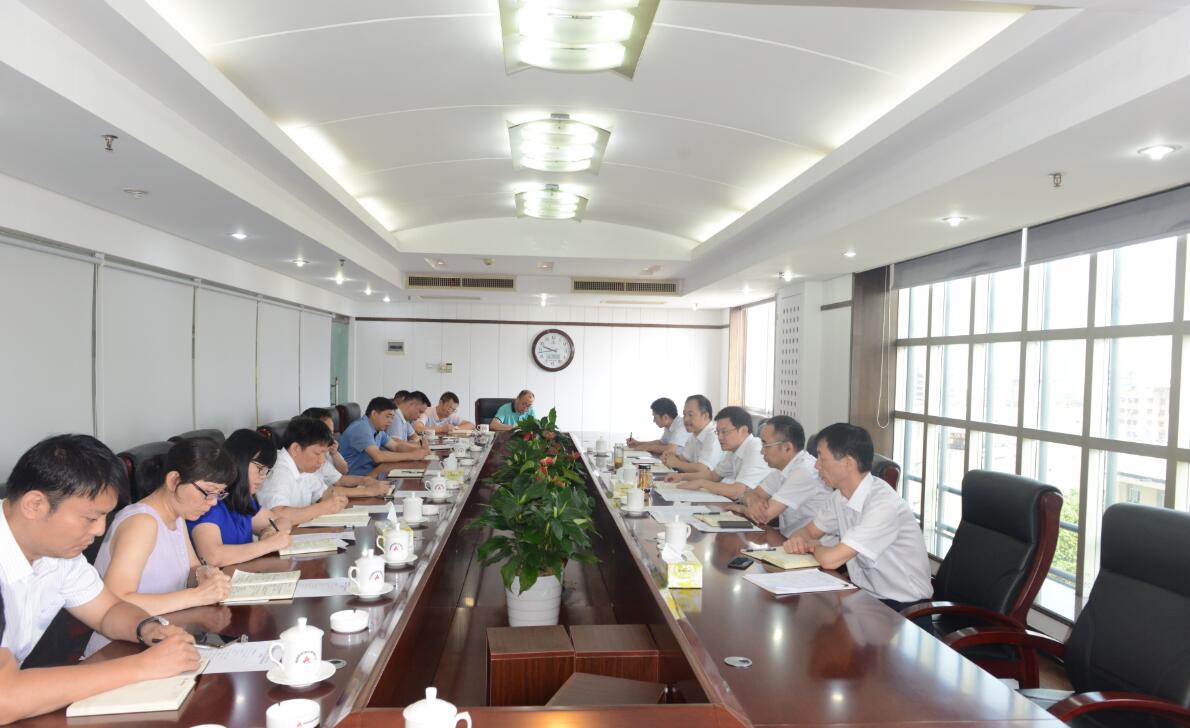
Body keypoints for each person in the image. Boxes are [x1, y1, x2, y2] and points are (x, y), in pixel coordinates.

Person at [0, 435, 199, 723]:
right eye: (91, 518)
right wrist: (143, 667)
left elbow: (107, 610)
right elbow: (4, 697)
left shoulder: (59, 553)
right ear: (34, 505)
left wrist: (147, 627)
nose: (100, 530)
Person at [84, 438, 235, 655]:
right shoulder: (141, 522)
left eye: (219, 494)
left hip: (163, 636)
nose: (213, 502)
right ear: (174, 480)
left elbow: (192, 570)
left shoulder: (178, 516)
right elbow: (116, 601)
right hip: (120, 648)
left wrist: (204, 574)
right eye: (207, 492)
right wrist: (197, 596)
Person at [783, 423, 932, 610]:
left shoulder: (883, 505)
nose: (816, 465)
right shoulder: (840, 496)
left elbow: (830, 560)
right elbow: (808, 531)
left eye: (822, 458)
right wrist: (799, 540)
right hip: (865, 598)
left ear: (848, 463)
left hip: (903, 609)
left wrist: (814, 546)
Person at [187, 430, 292, 567]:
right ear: (240, 461)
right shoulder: (210, 501)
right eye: (260, 468)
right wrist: (268, 544)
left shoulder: (241, 499)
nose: (263, 476)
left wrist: (269, 531)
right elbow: (212, 556)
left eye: (267, 470)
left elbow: (282, 521)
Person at [735, 416, 831, 536]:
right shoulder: (782, 469)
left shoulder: (804, 472)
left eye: (765, 445)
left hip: (811, 544)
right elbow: (752, 493)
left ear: (787, 447)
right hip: (789, 539)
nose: (762, 451)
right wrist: (750, 499)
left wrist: (740, 508)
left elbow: (763, 516)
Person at [255, 417, 351, 523]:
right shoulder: (278, 471)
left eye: (324, 453)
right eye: (317, 453)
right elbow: (276, 515)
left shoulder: (303, 466)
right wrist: (323, 508)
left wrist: (337, 500)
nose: (322, 461)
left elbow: (325, 493)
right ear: (296, 449)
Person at [669, 406, 773, 499]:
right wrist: (682, 477)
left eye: (724, 432)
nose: (720, 437)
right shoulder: (733, 450)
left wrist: (701, 483)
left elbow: (737, 491)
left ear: (743, 430)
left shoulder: (756, 449)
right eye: (718, 432)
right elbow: (713, 476)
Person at [300, 409, 391, 497]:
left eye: (331, 433)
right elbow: (325, 492)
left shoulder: (323, 452)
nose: (331, 438)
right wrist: (367, 491)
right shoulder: (305, 459)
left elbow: (339, 479)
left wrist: (365, 480)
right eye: (327, 433)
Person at [340, 396, 430, 476]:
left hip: (372, 473)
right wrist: (413, 455)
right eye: (387, 416)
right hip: (355, 479)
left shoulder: (378, 430)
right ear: (374, 414)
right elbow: (378, 456)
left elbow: (396, 446)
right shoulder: (361, 428)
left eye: (392, 417)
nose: (390, 421)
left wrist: (419, 449)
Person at [659, 395, 722, 475]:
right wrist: (669, 457)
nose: (685, 419)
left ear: (705, 416)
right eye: (684, 415)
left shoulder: (714, 436)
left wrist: (676, 463)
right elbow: (684, 459)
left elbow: (703, 469)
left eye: (690, 415)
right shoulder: (694, 434)